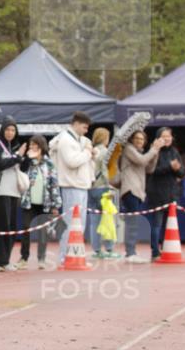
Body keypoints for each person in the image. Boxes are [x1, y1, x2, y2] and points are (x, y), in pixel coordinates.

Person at [49, 112, 94, 266]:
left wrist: (90, 152)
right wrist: (87, 152)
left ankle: (76, 255)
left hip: (81, 185)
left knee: (80, 224)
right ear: (75, 124)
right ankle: (64, 257)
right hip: (71, 185)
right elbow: (72, 161)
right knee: (70, 224)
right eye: (84, 127)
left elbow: (85, 155)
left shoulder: (80, 139)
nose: (86, 131)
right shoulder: (66, 140)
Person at [118, 129, 163, 263]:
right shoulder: (128, 149)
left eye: (142, 139)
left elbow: (150, 169)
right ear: (132, 139)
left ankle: (132, 252)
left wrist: (155, 153)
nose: (139, 141)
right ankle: (130, 253)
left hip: (138, 191)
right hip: (130, 189)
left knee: (134, 222)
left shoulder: (141, 152)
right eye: (137, 138)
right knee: (132, 222)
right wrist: (154, 149)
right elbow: (142, 161)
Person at [0, 115, 27, 272]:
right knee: (2, 225)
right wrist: (16, 158)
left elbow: (22, 168)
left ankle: (6, 260)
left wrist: (26, 159)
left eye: (13, 129)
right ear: (2, 130)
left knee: (12, 226)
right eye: (8, 129)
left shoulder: (16, 147)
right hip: (0, 190)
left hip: (15, 191)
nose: (10, 132)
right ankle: (0, 261)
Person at [18, 134, 61, 268]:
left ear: (41, 146)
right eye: (31, 145)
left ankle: (41, 259)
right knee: (26, 228)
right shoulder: (27, 162)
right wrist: (27, 158)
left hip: (45, 203)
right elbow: (20, 170)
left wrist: (56, 204)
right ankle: (24, 258)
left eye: (35, 144)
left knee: (43, 231)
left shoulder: (49, 163)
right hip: (28, 202)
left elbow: (54, 184)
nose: (32, 147)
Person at [146, 127, 185, 261]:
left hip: (172, 193)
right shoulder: (154, 152)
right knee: (156, 224)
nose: (167, 139)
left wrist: (178, 169)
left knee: (169, 224)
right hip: (157, 193)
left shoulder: (174, 152)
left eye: (169, 136)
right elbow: (151, 170)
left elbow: (182, 173)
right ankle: (155, 251)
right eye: (163, 136)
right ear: (158, 138)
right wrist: (170, 167)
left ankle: (166, 248)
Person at [86, 127, 117, 259]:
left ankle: (96, 250)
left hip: (91, 188)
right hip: (103, 188)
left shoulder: (91, 152)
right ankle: (109, 249)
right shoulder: (105, 152)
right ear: (105, 138)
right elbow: (106, 171)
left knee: (94, 221)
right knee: (108, 220)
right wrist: (110, 187)